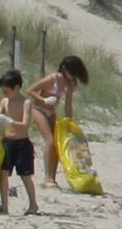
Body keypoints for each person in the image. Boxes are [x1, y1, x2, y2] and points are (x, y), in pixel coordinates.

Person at [26, 55, 89, 188]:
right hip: (38, 109)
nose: (72, 76)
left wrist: (69, 122)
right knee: (49, 141)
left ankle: (52, 179)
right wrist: (43, 100)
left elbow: (68, 105)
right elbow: (30, 90)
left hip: (52, 113)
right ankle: (47, 178)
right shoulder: (52, 79)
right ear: (65, 69)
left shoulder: (70, 85)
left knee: (56, 143)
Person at [0, 69, 39, 217]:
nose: (4, 94)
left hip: (22, 143)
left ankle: (33, 205)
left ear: (16, 87)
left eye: (6, 91)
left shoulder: (26, 102)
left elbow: (25, 124)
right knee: (3, 173)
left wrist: (9, 121)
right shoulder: (4, 101)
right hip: (7, 143)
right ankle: (4, 207)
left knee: (25, 175)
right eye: (3, 91)